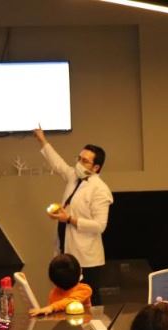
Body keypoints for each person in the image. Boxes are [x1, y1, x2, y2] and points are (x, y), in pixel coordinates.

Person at [33, 127, 114, 306]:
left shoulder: (100, 190)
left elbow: (100, 225)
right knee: (67, 300)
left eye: (85, 161)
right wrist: (42, 140)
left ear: (96, 167)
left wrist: (70, 219)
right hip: (67, 251)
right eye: (79, 158)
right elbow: (58, 164)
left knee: (88, 301)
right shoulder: (74, 177)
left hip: (86, 259)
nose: (79, 163)